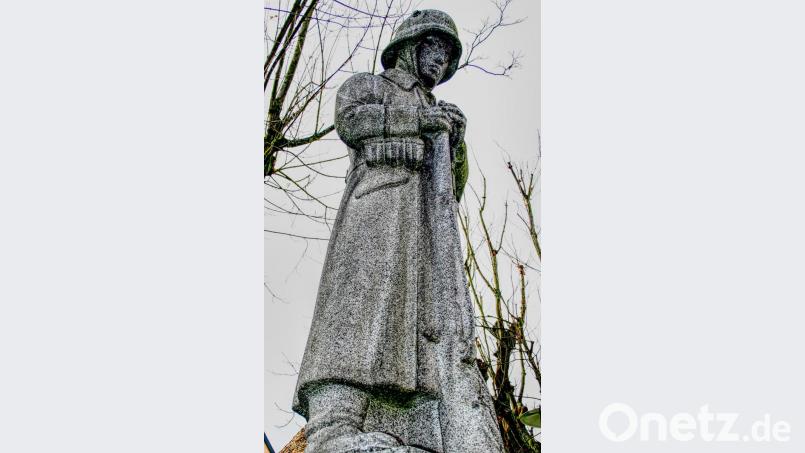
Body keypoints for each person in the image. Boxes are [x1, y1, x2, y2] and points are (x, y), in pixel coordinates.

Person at [292, 10, 503, 453]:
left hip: (425, 238)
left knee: (417, 332)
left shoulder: (437, 109)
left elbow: (455, 190)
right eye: (436, 50)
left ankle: (415, 425)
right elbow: (353, 121)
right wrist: (418, 121)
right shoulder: (369, 86)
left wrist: (455, 143)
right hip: (377, 217)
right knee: (361, 313)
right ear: (411, 44)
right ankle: (335, 426)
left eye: (447, 58)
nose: (440, 64)